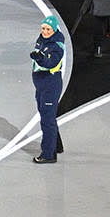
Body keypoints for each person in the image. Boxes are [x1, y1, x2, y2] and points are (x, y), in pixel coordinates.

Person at [30, 15, 66, 163]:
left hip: (50, 84)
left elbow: (51, 63)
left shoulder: (57, 46)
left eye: (48, 29)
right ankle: (56, 145)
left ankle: (48, 154)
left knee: (47, 119)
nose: (44, 31)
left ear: (54, 29)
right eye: (43, 28)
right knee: (47, 115)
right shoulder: (42, 40)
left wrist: (40, 58)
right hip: (41, 85)